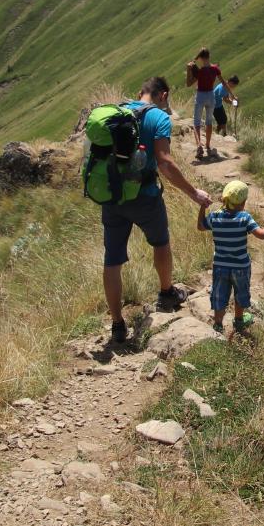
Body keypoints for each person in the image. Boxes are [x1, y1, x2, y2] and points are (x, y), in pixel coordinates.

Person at [102, 75, 212, 344]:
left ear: (141, 91)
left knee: (112, 259)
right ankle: (166, 293)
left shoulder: (116, 112)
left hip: (111, 195)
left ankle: (117, 324)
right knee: (161, 243)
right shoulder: (159, 118)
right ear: (162, 95)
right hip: (145, 195)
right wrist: (193, 192)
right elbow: (164, 163)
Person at [197, 180, 264, 334]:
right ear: (243, 202)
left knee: (220, 293)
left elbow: (201, 226)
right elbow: (261, 234)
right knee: (240, 292)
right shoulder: (244, 218)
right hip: (240, 266)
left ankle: (217, 324)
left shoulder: (215, 217)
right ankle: (239, 320)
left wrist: (203, 207)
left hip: (220, 265)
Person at [185, 47, 223, 161]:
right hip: (211, 95)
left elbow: (188, 83)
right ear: (209, 56)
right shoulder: (215, 69)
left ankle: (199, 146)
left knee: (196, 122)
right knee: (209, 121)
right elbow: (224, 82)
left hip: (201, 95)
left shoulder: (199, 71)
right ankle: (207, 144)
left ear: (200, 58)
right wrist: (232, 95)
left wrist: (188, 70)